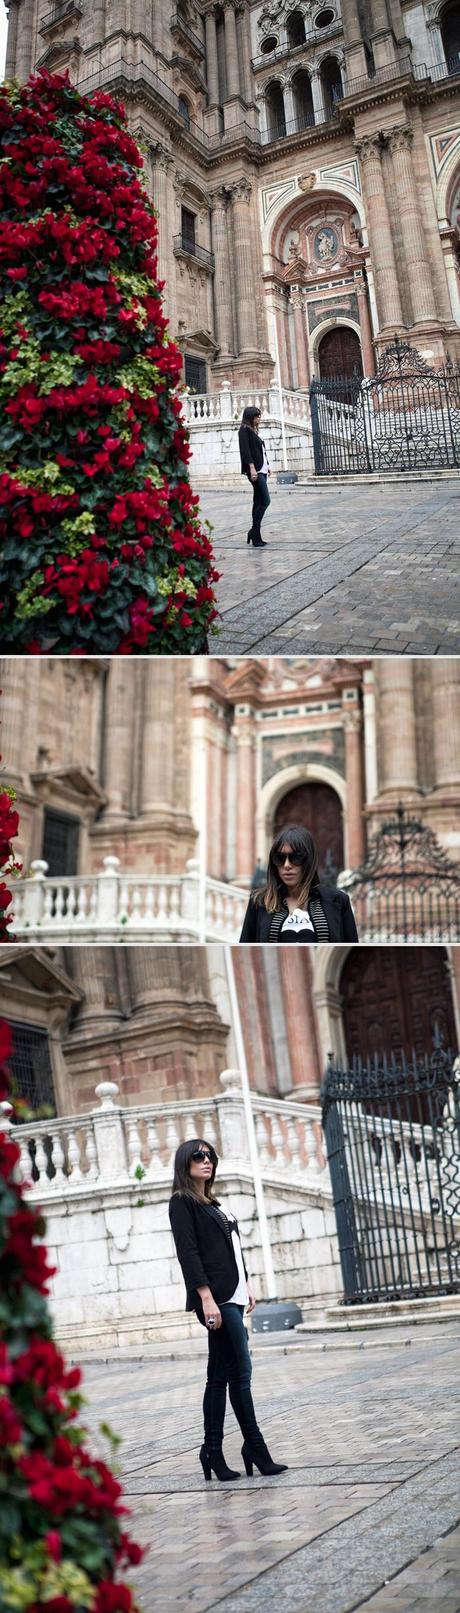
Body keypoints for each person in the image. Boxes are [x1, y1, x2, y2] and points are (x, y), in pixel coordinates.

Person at [169, 1138, 288, 1483]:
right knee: (241, 1371)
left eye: (211, 1156)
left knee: (220, 1376)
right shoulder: (182, 1203)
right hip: (216, 1298)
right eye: (198, 1156)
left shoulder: (212, 1202)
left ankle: (212, 1451)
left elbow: (232, 1250)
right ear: (185, 1163)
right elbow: (188, 1253)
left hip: (233, 1295)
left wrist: (247, 1283)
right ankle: (253, 1446)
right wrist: (205, 1297)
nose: (207, 1161)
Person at [239, 824, 359, 943]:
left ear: (308, 861)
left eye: (295, 857)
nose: (287, 865)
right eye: (280, 858)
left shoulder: (338, 901)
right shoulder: (259, 902)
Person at [238, 405, 271, 548]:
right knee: (265, 501)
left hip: (262, 469)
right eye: (257, 416)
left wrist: (268, 465)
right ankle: (254, 531)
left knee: (258, 501)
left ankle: (255, 535)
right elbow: (245, 451)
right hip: (255, 471)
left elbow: (261, 450)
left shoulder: (253, 430)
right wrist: (251, 468)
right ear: (250, 417)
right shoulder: (244, 430)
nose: (259, 419)